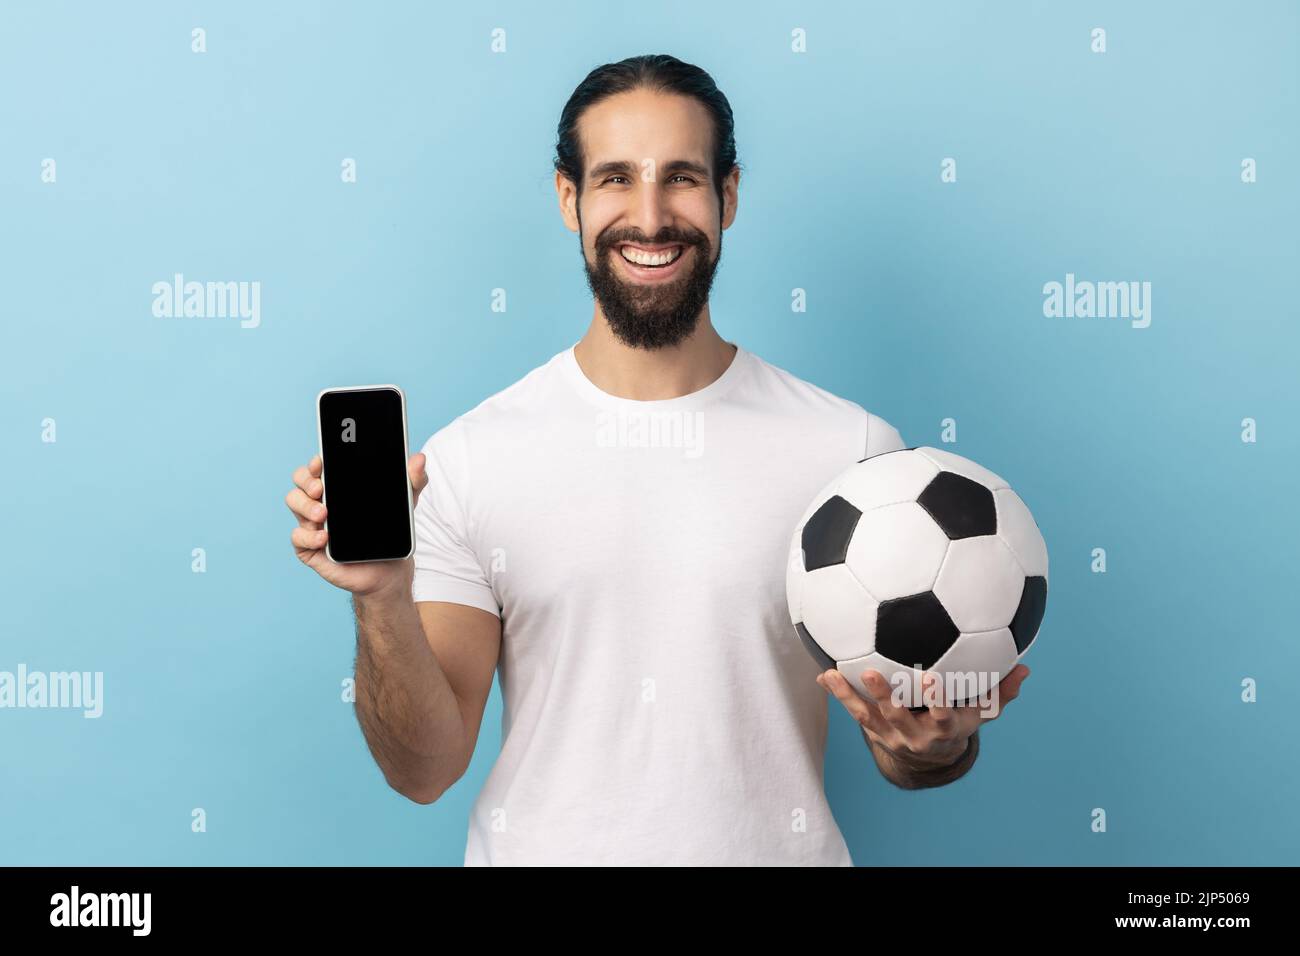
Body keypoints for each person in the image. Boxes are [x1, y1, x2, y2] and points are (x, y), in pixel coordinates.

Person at [285, 54, 1028, 866]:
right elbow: (424, 770)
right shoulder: (472, 459)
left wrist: (931, 745)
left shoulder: (851, 455)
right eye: (614, 179)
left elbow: (903, 748)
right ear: (569, 198)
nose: (649, 216)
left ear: (727, 196)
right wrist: (383, 598)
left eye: (680, 177)